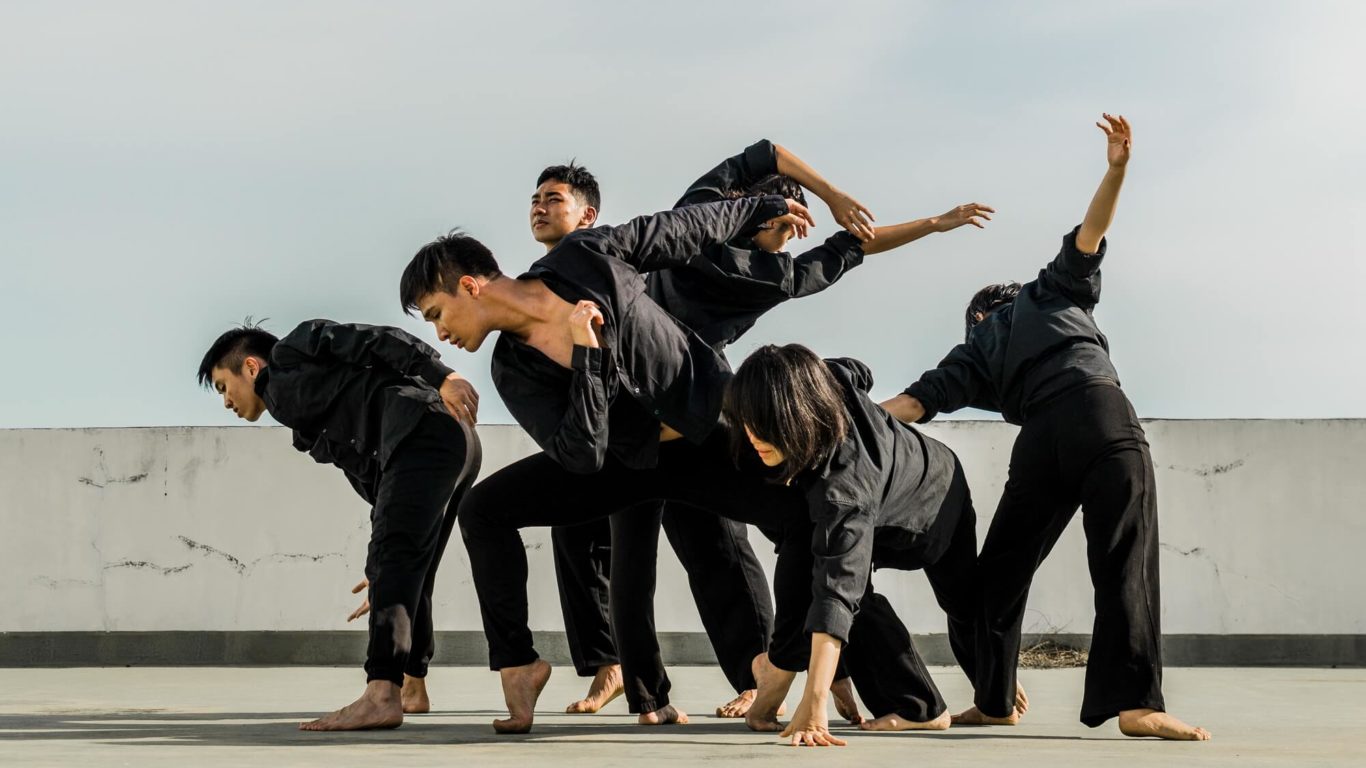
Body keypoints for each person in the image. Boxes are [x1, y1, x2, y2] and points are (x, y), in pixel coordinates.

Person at [531, 146, 995, 719]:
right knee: (749, 543)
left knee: (675, 554)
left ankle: (685, 689)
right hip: (683, 420)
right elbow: (840, 232)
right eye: (790, 229)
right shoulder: (761, 266)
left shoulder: (709, 218)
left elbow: (780, 168)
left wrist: (885, 211)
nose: (793, 241)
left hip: (648, 416)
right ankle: (759, 673)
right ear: (771, 215)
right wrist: (875, 209)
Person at [402, 194, 819, 733]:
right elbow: (581, 453)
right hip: (619, 463)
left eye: (437, 314)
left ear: (469, 285)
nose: (441, 334)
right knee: (484, 509)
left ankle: (789, 664)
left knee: (806, 514)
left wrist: (758, 206)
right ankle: (519, 666)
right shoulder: (513, 369)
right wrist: (589, 358)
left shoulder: (584, 257)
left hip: (703, 435)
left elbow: (681, 228)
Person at [880, 114, 1211, 741]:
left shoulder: (973, 352)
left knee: (998, 573)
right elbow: (1091, 234)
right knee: (1122, 560)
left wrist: (821, 414)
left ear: (976, 316)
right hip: (1099, 414)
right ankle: (1137, 704)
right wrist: (1116, 169)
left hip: (1041, 443)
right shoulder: (1047, 293)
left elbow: (910, 405)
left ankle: (996, 698)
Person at [722, 344, 1015, 746]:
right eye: (748, 423)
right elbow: (854, 370)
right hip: (909, 478)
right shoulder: (824, 384)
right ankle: (961, 701)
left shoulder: (844, 486)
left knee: (958, 601)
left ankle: (933, 709)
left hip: (935, 504)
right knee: (817, 567)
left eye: (767, 425)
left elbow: (836, 591)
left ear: (797, 414)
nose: (754, 437)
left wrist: (814, 703)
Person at [196, 319, 481, 731]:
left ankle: (381, 694)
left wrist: (444, 377)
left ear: (252, 367)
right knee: (409, 569)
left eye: (224, 387)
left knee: (396, 561)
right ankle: (411, 687)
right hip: (446, 443)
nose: (226, 402)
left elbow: (378, 340)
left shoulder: (292, 351)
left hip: (427, 427)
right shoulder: (307, 420)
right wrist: (378, 565)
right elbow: (378, 488)